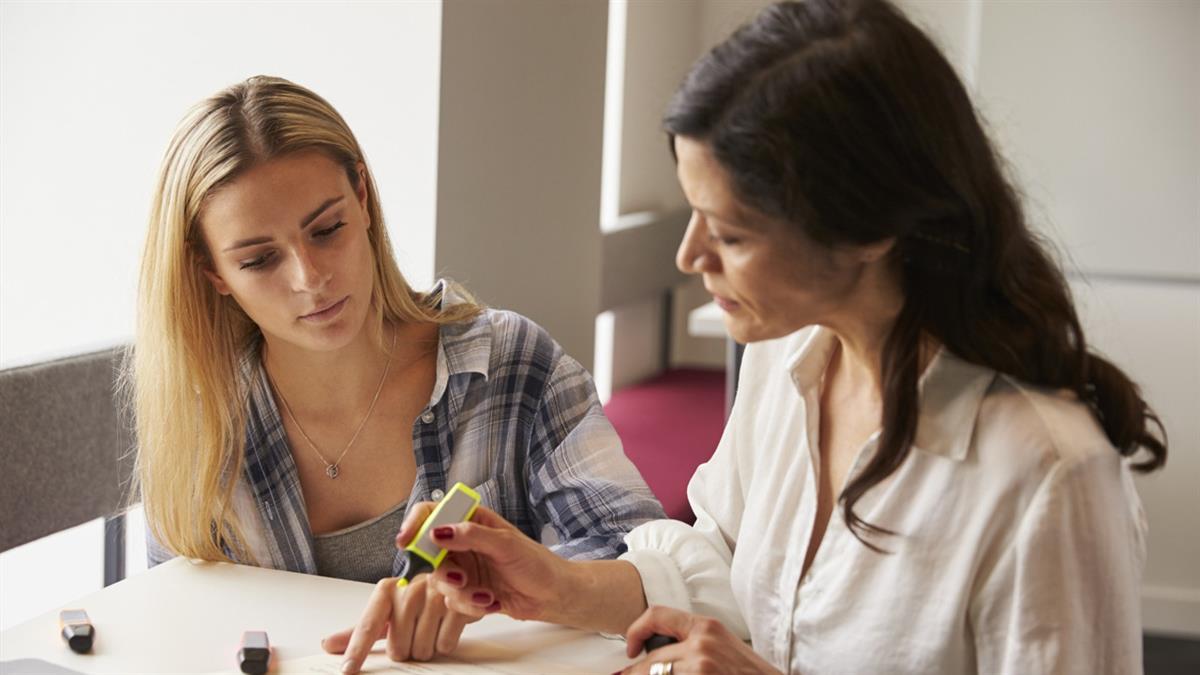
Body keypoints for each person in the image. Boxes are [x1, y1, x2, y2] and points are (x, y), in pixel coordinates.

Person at [390, 1, 1169, 673]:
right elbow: (725, 561)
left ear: (867, 231)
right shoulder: (784, 355)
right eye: (693, 212)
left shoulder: (1049, 480)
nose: (687, 256)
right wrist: (557, 584)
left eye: (729, 233)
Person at [127, 75, 664, 664]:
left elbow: (650, 570)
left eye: (326, 229)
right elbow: (177, 636)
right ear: (213, 274)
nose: (310, 278)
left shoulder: (509, 365)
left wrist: (516, 592)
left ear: (362, 196)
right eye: (259, 260)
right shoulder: (203, 426)